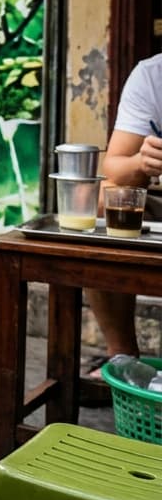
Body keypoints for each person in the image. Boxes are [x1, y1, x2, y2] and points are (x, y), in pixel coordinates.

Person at [86, 53, 162, 373]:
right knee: (104, 201)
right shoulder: (152, 76)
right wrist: (142, 163)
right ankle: (123, 358)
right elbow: (115, 167)